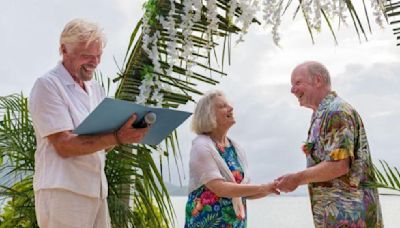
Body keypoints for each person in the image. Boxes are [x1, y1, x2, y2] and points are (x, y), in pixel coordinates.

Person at [28, 18, 149, 228]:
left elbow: (103, 144)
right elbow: (64, 145)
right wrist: (116, 136)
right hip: (62, 192)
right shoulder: (48, 85)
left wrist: (126, 133)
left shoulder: (96, 90)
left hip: (96, 192)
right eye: (86, 56)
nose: (94, 62)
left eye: (98, 55)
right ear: (64, 50)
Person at [275, 61, 383, 227]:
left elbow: (339, 165)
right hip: (335, 218)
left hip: (351, 218)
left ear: (317, 80)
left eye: (298, 83)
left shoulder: (336, 111)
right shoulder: (320, 115)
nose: (292, 90)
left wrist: (297, 178)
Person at [185, 90, 278, 228]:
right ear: (208, 115)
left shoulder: (236, 148)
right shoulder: (201, 145)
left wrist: (271, 188)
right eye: (222, 106)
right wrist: (262, 187)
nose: (231, 108)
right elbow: (220, 188)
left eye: (229, 105)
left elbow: (244, 192)